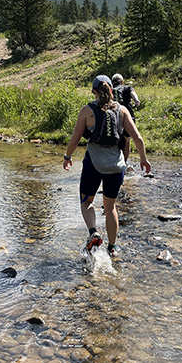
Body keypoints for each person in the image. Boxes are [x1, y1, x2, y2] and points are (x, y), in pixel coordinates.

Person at [62, 75, 151, 258]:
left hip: (94, 164)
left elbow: (74, 139)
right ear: (111, 90)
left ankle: (93, 231)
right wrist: (143, 159)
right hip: (116, 167)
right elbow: (138, 138)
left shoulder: (87, 111)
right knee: (110, 207)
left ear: (94, 91)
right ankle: (112, 247)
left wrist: (67, 157)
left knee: (87, 201)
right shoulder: (123, 110)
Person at [111, 74, 141, 162]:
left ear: (112, 83)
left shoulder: (110, 90)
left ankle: (114, 161)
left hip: (114, 118)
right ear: (122, 82)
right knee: (127, 141)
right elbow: (133, 95)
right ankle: (124, 163)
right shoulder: (128, 88)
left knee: (114, 140)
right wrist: (136, 101)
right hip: (128, 117)